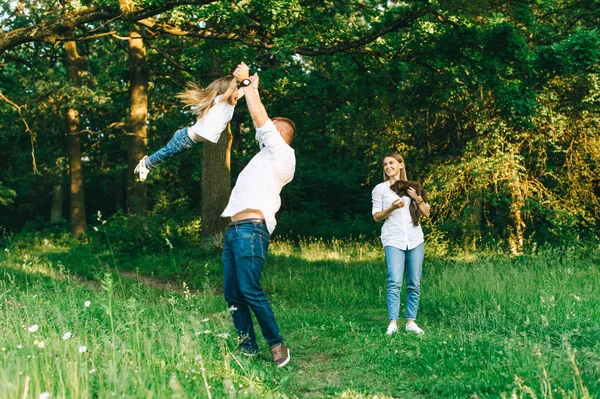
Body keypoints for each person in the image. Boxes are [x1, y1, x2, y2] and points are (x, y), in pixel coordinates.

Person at [221, 62, 296, 367]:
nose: (259, 131)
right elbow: (259, 117)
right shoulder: (262, 158)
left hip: (251, 230)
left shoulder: (282, 153)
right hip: (234, 231)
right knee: (233, 294)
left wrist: (249, 84)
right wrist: (248, 88)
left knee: (250, 290)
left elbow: (258, 116)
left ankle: (277, 344)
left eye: (269, 126)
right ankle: (247, 347)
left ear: (279, 133)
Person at [134, 75, 244, 181]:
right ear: (226, 92)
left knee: (167, 155)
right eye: (235, 90)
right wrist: (236, 78)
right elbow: (230, 89)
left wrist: (251, 85)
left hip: (189, 142)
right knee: (166, 153)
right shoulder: (220, 101)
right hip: (184, 138)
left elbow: (241, 92)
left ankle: (146, 164)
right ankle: (146, 164)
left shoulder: (230, 106)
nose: (237, 93)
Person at [371, 153, 430, 336]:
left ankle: (411, 321)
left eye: (391, 163)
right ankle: (393, 323)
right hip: (393, 239)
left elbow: (427, 213)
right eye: (385, 164)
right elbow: (376, 217)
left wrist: (417, 198)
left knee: (414, 282)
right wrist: (392, 208)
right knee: (394, 281)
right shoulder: (380, 189)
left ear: (401, 165)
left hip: (415, 239)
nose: (388, 166)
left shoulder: (414, 187)